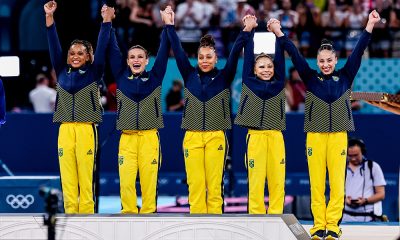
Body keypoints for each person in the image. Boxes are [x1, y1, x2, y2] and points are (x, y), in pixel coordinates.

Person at [269, 10, 381, 240]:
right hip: (315, 137)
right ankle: (319, 225)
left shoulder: (346, 76)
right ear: (317, 63)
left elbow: (359, 51)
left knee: (337, 184)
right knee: (317, 183)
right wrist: (279, 33)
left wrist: (370, 24)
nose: (326, 64)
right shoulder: (310, 78)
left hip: (339, 136)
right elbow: (294, 54)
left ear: (336, 60)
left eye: (329, 60)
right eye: (322, 61)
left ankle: (333, 225)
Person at [163, 8, 253, 214]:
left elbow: (236, 51)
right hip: (192, 137)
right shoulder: (188, 74)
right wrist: (169, 25)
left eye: (209, 57)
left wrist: (246, 30)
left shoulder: (224, 76)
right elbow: (177, 49)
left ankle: (214, 227)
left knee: (214, 187)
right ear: (197, 58)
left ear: (215, 58)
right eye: (201, 57)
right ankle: (198, 228)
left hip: (216, 137)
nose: (204, 60)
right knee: (195, 186)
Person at [44, 1, 113, 214]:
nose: (75, 56)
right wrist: (49, 17)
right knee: (68, 176)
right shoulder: (61, 70)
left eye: (80, 53)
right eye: (72, 53)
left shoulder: (95, 72)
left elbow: (101, 47)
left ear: (88, 57)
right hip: (65, 129)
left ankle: (87, 217)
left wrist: (106, 22)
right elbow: (53, 43)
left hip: (86, 128)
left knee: (86, 176)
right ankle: (70, 215)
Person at [107, 6, 170, 214]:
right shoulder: (121, 77)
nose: (136, 60)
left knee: (149, 182)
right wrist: (108, 23)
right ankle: (128, 213)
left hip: (150, 138)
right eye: (132, 57)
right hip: (127, 139)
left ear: (146, 61)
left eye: (140, 57)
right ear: (127, 61)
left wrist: (167, 25)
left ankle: (149, 213)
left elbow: (163, 51)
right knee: (126, 181)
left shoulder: (155, 77)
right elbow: (113, 49)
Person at [234, 15, 286, 214]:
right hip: (254, 137)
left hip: (275, 137)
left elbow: (280, 57)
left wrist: (276, 33)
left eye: (269, 66)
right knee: (255, 183)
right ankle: (256, 220)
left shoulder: (279, 83)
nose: (266, 69)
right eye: (262, 66)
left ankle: (276, 220)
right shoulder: (248, 81)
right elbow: (247, 55)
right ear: (254, 70)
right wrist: (250, 29)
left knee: (277, 183)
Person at [343, 138, 386, 222]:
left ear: (363, 152)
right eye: (350, 156)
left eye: (356, 155)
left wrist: (365, 200)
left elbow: (381, 194)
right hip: (345, 217)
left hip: (367, 218)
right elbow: (334, 192)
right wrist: (344, 199)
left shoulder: (373, 167)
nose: (353, 159)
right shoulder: (341, 168)